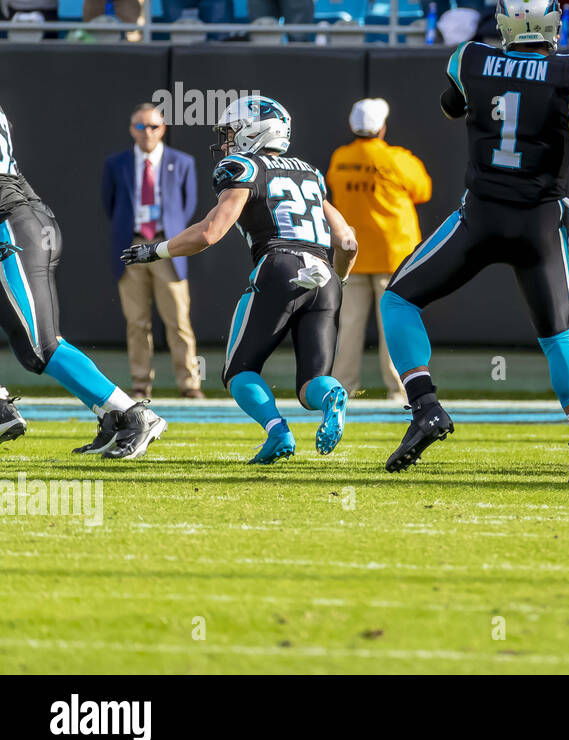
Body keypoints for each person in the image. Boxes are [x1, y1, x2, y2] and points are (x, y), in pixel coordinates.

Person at [379, 0, 569, 483]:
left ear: (504, 22)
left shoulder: (471, 59)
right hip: (538, 223)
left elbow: (451, 105)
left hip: (481, 216)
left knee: (398, 301)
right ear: (555, 22)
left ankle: (424, 406)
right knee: (558, 339)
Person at [122, 96, 360, 465]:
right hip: (325, 275)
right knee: (312, 384)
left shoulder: (244, 167)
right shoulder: (310, 173)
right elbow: (347, 240)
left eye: (232, 131)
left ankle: (278, 432)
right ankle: (332, 396)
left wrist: (156, 251)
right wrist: (338, 282)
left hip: (280, 266)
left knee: (239, 370)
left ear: (256, 130)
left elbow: (209, 233)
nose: (228, 140)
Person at [0, 102, 167, 460]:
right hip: (26, 218)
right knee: (36, 342)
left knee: (40, 347)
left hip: (11, 226)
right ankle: (110, 417)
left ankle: (132, 413)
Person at [325, 97, 432, 399]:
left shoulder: (340, 158)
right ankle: (400, 390)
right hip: (394, 256)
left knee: (347, 326)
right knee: (394, 326)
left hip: (352, 255)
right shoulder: (397, 159)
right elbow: (424, 190)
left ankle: (341, 388)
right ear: (382, 128)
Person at [101, 102, 203, 399]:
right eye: (141, 126)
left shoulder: (181, 162)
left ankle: (190, 384)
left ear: (163, 129)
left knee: (179, 320)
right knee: (136, 321)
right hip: (131, 246)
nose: (147, 132)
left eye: (154, 126)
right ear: (132, 129)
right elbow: (109, 203)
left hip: (166, 246)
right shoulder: (116, 163)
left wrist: (169, 240)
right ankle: (140, 383)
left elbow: (188, 205)